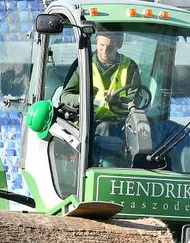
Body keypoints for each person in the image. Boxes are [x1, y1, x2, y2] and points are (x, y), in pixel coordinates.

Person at [60, 30, 142, 166]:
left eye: (110, 47)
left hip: (119, 125)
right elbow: (65, 96)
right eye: (101, 45)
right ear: (96, 41)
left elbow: (136, 99)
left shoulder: (129, 66)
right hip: (87, 124)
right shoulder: (83, 63)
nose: (104, 51)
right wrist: (82, 98)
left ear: (119, 45)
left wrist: (119, 100)